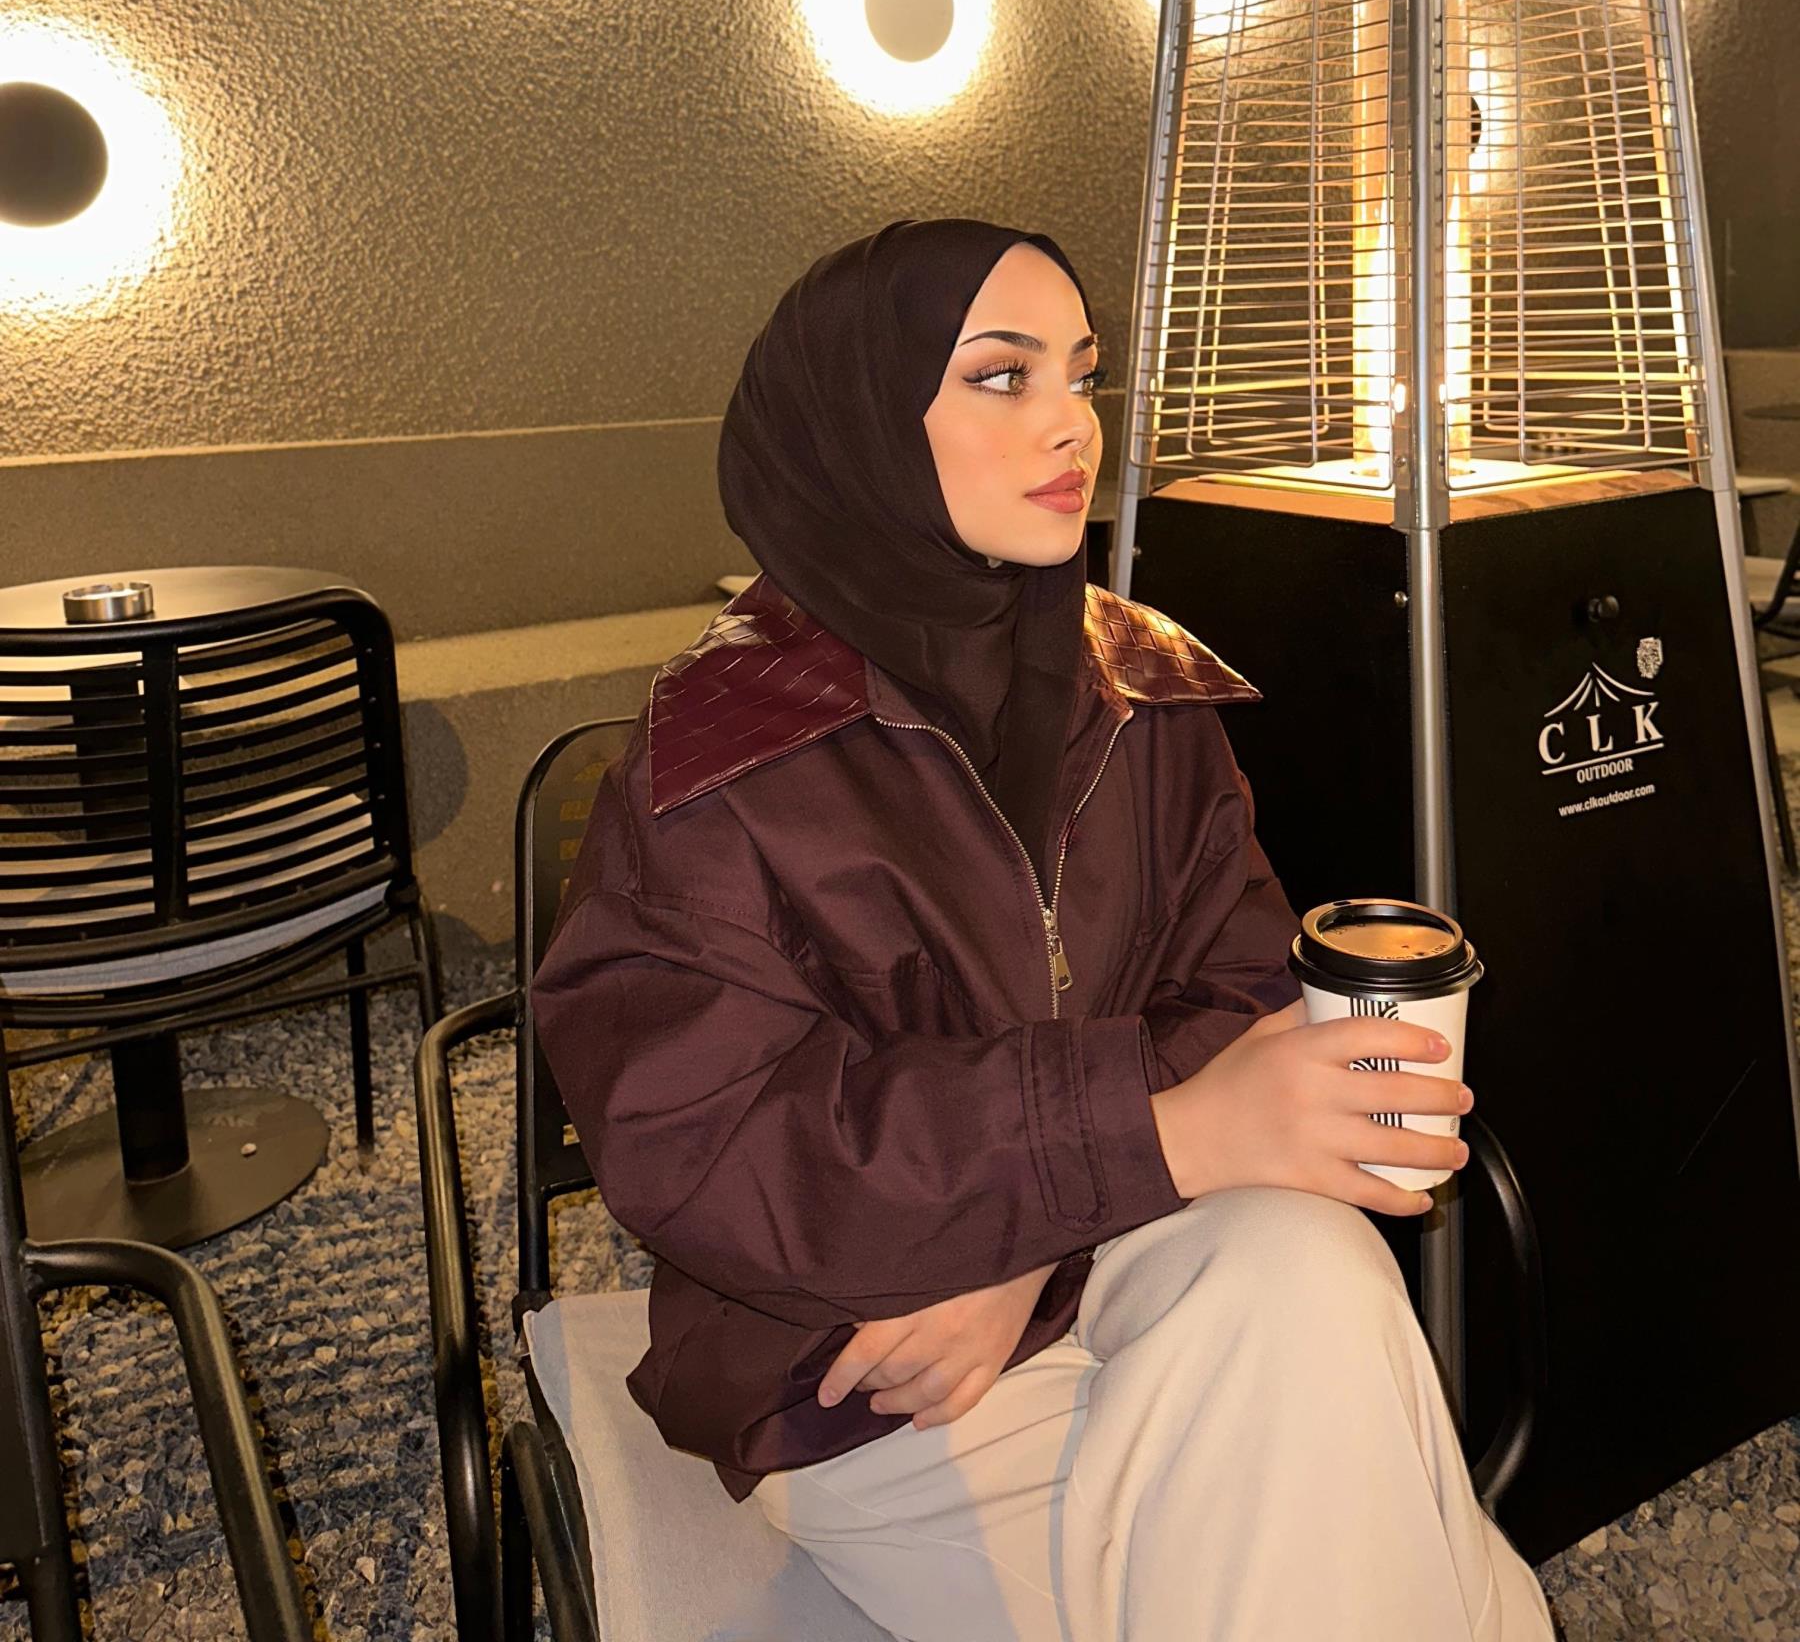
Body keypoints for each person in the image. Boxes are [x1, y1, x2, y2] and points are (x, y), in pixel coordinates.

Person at [533, 218, 1557, 1642]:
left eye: (1082, 374)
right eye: (1002, 377)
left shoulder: (1137, 685)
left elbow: (1240, 985)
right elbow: (716, 1153)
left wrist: (1036, 1235)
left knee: (1311, 1272)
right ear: (859, 425)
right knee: (1411, 1561)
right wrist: (1147, 1144)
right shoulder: (717, 762)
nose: (1073, 423)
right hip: (876, 1365)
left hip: (1109, 1249)